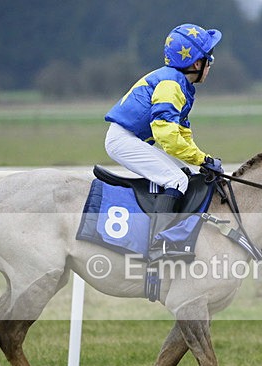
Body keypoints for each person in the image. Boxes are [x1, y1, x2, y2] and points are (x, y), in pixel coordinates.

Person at [104, 23, 223, 262]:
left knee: (186, 172)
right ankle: (159, 244)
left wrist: (201, 160)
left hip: (131, 138)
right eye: (209, 58)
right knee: (176, 179)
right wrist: (202, 159)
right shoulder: (171, 86)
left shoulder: (180, 83)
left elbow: (182, 133)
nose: (211, 64)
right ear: (197, 64)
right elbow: (167, 138)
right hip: (123, 140)